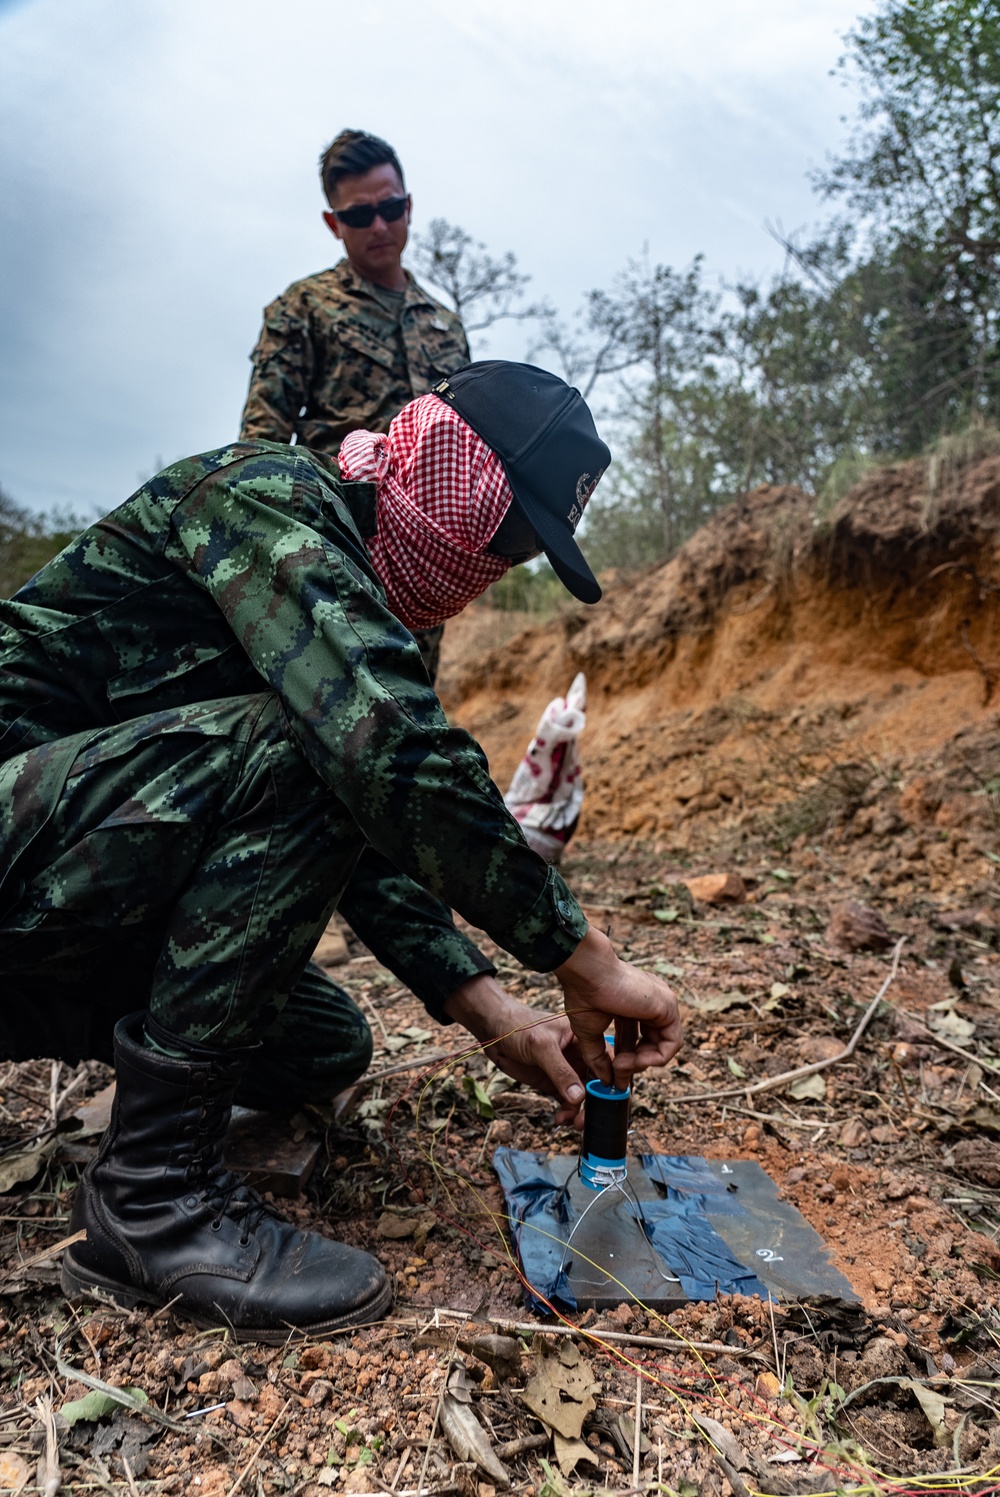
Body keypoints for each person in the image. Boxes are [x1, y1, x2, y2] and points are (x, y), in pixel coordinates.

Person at [0, 361, 682, 1343]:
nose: (502, 560)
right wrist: (588, 959)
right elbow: (377, 754)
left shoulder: (379, 597)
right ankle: (150, 1201)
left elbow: (363, 809)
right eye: (513, 528)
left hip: (54, 876)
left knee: (319, 1043)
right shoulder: (268, 498)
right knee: (307, 747)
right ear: (461, 472)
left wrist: (488, 1008)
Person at [239, 127, 469, 681]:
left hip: (421, 571)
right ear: (332, 223)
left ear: (409, 205)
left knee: (410, 713)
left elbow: (464, 449)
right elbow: (257, 448)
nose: (381, 225)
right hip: (328, 557)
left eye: (391, 207)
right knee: (322, 723)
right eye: (360, 215)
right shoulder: (303, 308)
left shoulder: (445, 327)